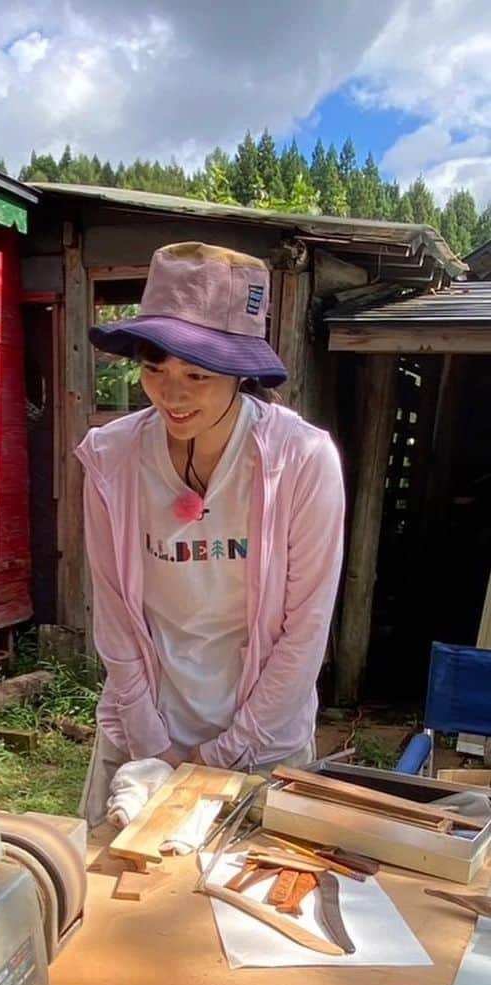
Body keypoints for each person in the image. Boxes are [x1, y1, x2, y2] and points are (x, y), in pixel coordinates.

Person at [78, 242, 345, 827]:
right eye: (153, 369)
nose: (171, 395)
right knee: (117, 899)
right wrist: (155, 749)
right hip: (142, 728)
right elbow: (116, 614)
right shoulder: (110, 457)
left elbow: (306, 628)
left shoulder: (300, 460)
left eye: (197, 374)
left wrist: (218, 757)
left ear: (240, 372)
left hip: (261, 739)